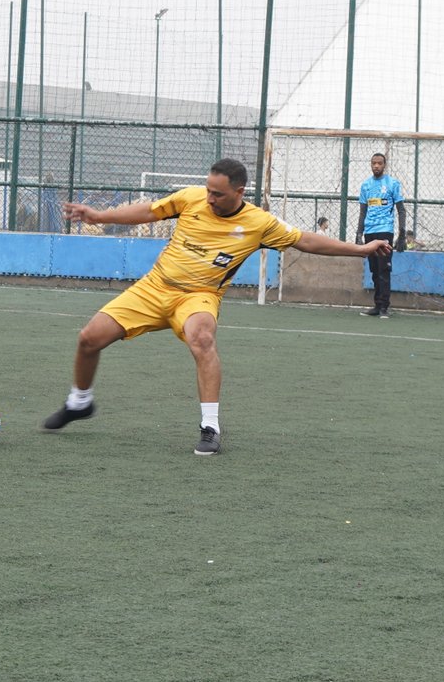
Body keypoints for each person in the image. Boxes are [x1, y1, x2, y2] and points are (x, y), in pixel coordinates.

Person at [43, 158, 391, 456]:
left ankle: (210, 427)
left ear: (239, 192)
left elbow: (306, 240)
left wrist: (360, 249)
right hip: (154, 287)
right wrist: (99, 215)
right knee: (89, 338)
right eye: (208, 190)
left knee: (203, 339)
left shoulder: (259, 223)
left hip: (199, 296)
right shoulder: (191, 198)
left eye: (218, 194)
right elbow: (148, 211)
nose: (209, 198)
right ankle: (80, 402)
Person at [355, 152, 406, 318]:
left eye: (379, 163)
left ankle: (384, 306)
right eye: (373, 163)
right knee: (374, 269)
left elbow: (401, 210)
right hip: (370, 231)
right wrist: (359, 233)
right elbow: (363, 212)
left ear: (384, 165)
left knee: (384, 269)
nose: (376, 166)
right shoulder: (366, 185)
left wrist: (402, 234)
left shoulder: (393, 183)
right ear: (371, 165)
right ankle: (377, 306)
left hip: (385, 231)